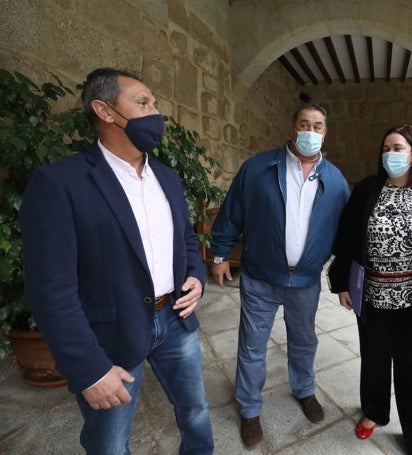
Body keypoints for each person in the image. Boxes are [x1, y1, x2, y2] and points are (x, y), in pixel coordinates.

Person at [20, 67, 214, 454]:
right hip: (111, 335)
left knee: (195, 411)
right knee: (109, 442)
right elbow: (51, 290)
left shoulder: (168, 179)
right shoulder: (60, 183)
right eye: (143, 103)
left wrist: (196, 275)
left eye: (155, 104)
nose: (156, 113)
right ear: (105, 111)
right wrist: (89, 369)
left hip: (175, 320)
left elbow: (188, 240)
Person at [209, 103, 349, 448]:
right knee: (252, 346)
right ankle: (250, 409)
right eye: (304, 124)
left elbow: (346, 233)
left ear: (325, 133)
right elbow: (231, 213)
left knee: (304, 342)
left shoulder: (335, 180)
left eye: (317, 126)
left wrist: (346, 276)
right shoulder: (258, 168)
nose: (310, 132)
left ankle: (304, 390)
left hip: (304, 282)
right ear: (292, 129)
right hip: (259, 277)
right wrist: (220, 253)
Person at [327, 124, 412, 455]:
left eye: (398, 148)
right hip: (372, 296)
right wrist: (341, 282)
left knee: (409, 363)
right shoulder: (367, 189)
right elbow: (347, 237)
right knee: (373, 358)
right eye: (386, 148)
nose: (391, 154)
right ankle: (374, 412)